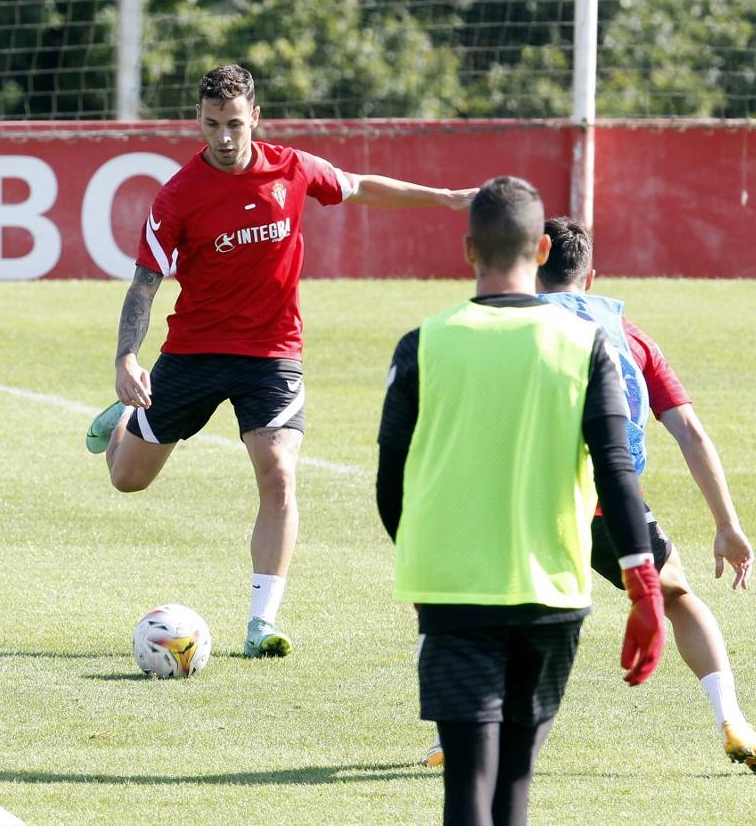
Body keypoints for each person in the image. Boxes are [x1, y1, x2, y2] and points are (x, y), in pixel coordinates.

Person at [84, 64, 477, 657]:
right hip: (193, 351)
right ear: (197, 120)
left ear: (255, 119)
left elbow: (362, 187)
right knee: (127, 479)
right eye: (212, 124)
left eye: (234, 124)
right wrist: (126, 360)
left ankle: (261, 622)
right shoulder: (177, 197)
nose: (223, 138)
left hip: (272, 353)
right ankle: (121, 417)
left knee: (278, 471)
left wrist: (446, 199)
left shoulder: (292, 169)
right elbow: (144, 286)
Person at [376, 176, 665, 826]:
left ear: (467, 248)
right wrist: (644, 589)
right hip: (553, 596)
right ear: (540, 250)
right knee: (515, 787)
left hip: (453, 596)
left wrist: (421, 561)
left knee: (466, 792)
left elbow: (388, 484)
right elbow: (617, 469)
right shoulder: (585, 344)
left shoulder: (422, 344)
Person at [532, 216, 756, 773]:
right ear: (590, 277)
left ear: (531, 269)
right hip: (609, 502)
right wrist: (726, 523)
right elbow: (691, 433)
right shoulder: (631, 337)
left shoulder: (508, 325)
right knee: (677, 595)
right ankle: (732, 719)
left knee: (491, 611)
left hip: (529, 501)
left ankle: (457, 736)